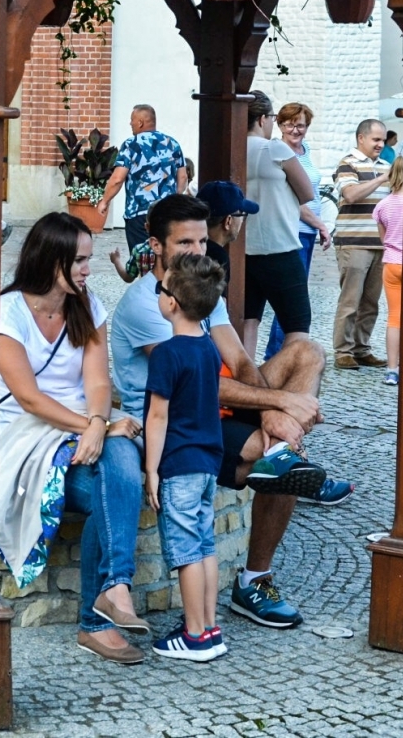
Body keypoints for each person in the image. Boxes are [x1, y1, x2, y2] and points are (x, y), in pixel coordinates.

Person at [112, 194, 336, 630]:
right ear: (155, 245)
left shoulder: (198, 287)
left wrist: (272, 413)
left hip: (218, 408)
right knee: (279, 460)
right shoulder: (150, 302)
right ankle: (251, 582)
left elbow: (241, 360)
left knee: (306, 352)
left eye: (201, 241)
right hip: (179, 422)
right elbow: (194, 382)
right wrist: (279, 402)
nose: (197, 252)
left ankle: (253, 578)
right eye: (184, 244)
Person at [0, 213, 147, 664]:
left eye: (88, 259)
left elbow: (99, 384)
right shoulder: (8, 312)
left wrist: (99, 422)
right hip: (27, 435)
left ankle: (114, 590)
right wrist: (95, 426)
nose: (87, 269)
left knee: (120, 459)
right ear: (51, 259)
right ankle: (98, 618)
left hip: (87, 422)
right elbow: (29, 398)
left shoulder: (87, 305)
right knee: (114, 487)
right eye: (79, 260)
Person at [143, 251, 228, 662]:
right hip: (208, 463)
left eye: (162, 288)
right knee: (206, 545)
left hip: (178, 465)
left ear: (172, 302)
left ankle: (194, 635)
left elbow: (158, 416)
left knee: (186, 552)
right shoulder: (210, 349)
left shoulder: (167, 353)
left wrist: (151, 469)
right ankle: (210, 626)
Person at [240, 93, 318, 362]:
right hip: (280, 245)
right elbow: (307, 192)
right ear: (262, 119)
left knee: (248, 320)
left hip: (244, 248)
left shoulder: (232, 148)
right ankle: (289, 385)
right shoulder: (275, 149)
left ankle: (244, 382)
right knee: (297, 324)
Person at [265, 102, 330, 361]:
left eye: (300, 124)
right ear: (279, 125)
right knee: (291, 298)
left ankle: (284, 356)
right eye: (290, 123)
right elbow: (294, 200)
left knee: (296, 295)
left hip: (307, 232)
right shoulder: (278, 152)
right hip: (291, 230)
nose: (295, 129)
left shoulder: (305, 150)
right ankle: (276, 357)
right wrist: (321, 224)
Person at [331, 118, 390, 369]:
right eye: (376, 140)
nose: (380, 145)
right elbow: (351, 194)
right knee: (350, 300)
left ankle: (361, 348)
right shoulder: (348, 163)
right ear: (361, 138)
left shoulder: (386, 165)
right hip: (354, 242)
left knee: (370, 302)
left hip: (380, 243)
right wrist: (381, 179)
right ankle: (342, 351)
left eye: (383, 141)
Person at [96, 104, 187, 251]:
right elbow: (182, 178)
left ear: (140, 122)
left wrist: (104, 201)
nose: (130, 123)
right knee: (165, 258)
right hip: (167, 214)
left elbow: (117, 179)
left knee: (142, 261)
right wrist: (173, 202)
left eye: (132, 119)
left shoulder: (131, 145)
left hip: (139, 214)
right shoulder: (172, 144)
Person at [371, 156, 403, 386]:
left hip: (392, 263)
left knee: (394, 317)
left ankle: (391, 370)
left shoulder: (382, 205)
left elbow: (384, 239)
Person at [194, 180, 257, 286]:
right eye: (242, 214)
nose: (242, 221)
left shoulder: (187, 248)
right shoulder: (218, 258)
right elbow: (216, 301)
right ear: (228, 221)